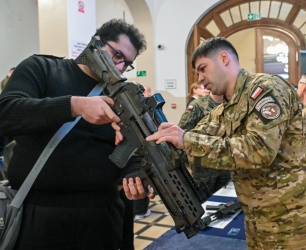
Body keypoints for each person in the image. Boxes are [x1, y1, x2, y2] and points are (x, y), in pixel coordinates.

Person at [142, 37, 306, 249]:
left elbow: (259, 150)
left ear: (224, 58)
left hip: (294, 222)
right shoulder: (225, 109)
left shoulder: (266, 88)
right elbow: (189, 138)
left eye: (203, 69)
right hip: (257, 222)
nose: (200, 78)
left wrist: (186, 140)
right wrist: (154, 177)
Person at [0, 18, 148, 250]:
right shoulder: (42, 68)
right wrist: (74, 106)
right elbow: (6, 113)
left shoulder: (123, 96)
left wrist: (135, 173)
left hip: (103, 218)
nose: (120, 68)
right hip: (38, 216)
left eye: (127, 64)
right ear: (96, 43)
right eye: (117, 56)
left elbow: (134, 149)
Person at [178, 92, 231, 202]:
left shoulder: (232, 104)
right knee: (201, 202)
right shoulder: (198, 105)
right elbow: (183, 134)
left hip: (227, 167)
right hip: (204, 170)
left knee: (225, 201)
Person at [133, 84, 152, 220]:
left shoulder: (145, 110)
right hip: (139, 152)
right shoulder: (138, 111)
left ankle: (141, 210)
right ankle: (140, 211)